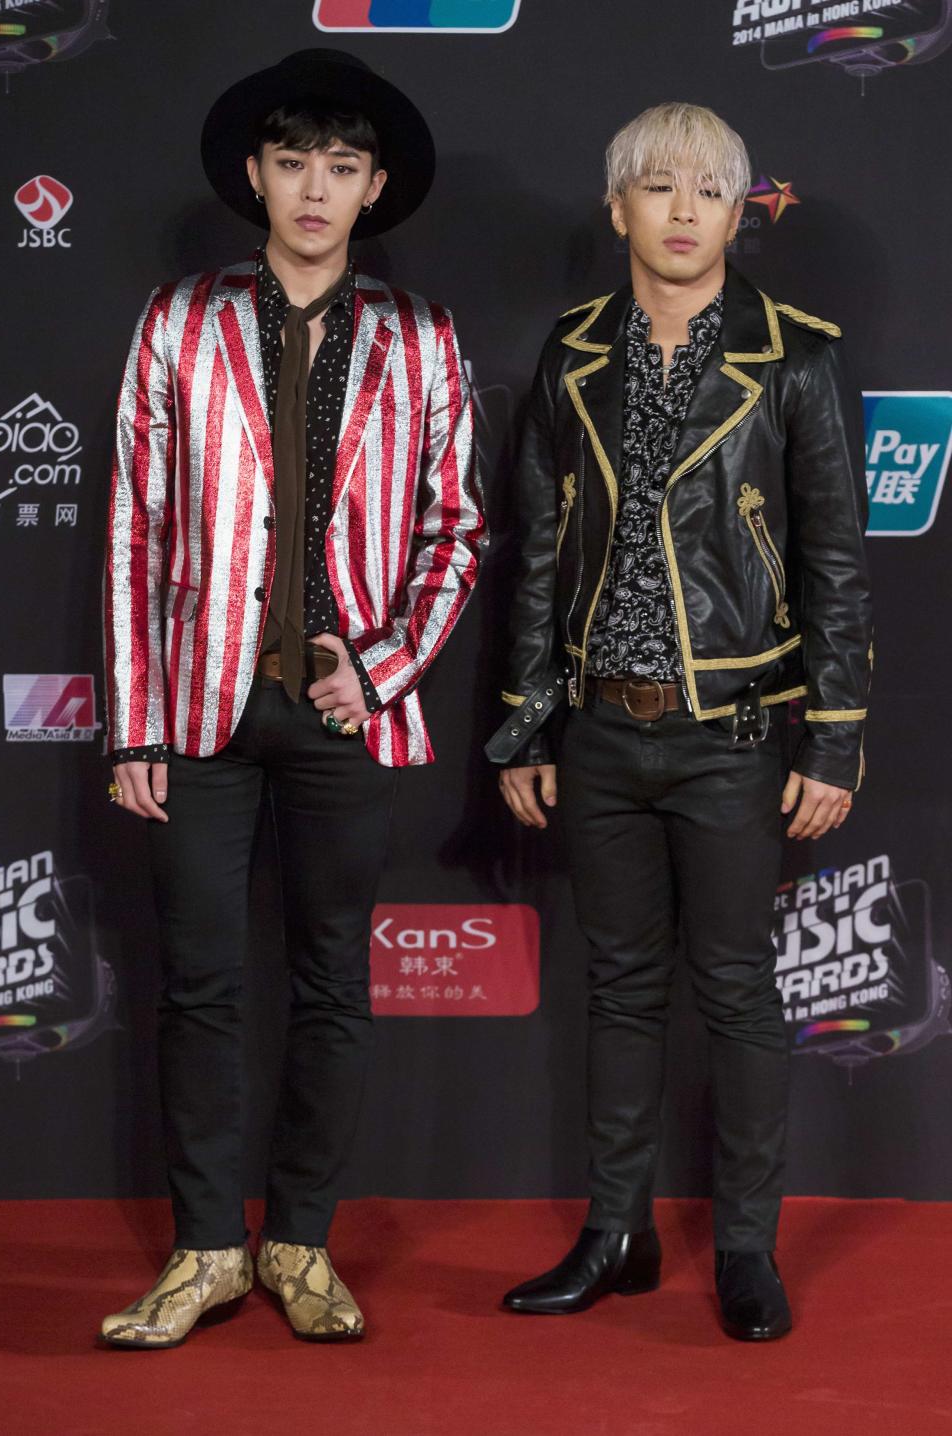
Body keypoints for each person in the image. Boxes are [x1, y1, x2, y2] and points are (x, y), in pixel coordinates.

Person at [101, 48, 484, 1348]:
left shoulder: (423, 340)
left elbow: (456, 534)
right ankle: (207, 1249)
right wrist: (136, 722)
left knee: (331, 985)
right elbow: (135, 532)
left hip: (346, 717)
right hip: (201, 713)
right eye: (292, 162)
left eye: (341, 165)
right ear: (255, 175)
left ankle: (302, 1244)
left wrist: (378, 667)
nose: (314, 189)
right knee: (201, 987)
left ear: (373, 187)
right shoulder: (179, 320)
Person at [491, 102, 871, 1340]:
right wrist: (525, 721)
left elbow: (836, 561)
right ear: (620, 210)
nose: (685, 210)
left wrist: (835, 734)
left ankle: (747, 1251)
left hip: (735, 732)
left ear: (738, 209)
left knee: (740, 990)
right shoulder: (572, 353)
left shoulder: (796, 356)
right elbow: (538, 552)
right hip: (601, 729)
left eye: (709, 189)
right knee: (620, 987)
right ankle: (618, 1231)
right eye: (659, 188)